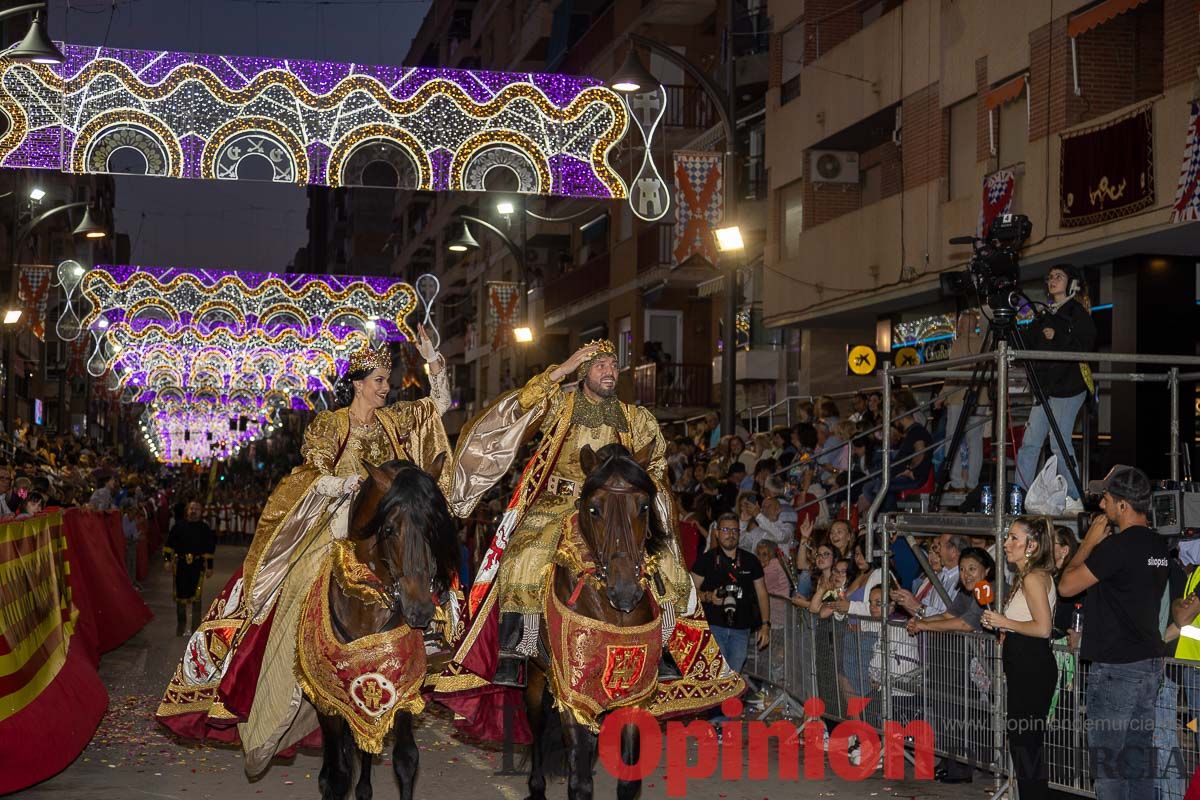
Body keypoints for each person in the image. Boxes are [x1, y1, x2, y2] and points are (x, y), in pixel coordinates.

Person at [157, 328, 452, 777]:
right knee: (297, 585)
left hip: (387, 527)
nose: (385, 387)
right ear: (358, 384)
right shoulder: (331, 424)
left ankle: (433, 637)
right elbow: (311, 474)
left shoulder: (395, 420)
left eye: (387, 380)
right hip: (334, 522)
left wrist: (434, 360)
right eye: (378, 380)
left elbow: (439, 406)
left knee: (423, 564)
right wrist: (349, 484)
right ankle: (285, 667)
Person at [437, 341, 706, 692]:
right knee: (523, 554)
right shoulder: (560, 406)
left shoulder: (635, 417)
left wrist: (641, 493)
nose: (609, 372)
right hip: (558, 502)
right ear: (583, 372)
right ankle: (516, 647)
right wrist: (559, 371)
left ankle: (667, 645)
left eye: (613, 365)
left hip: (615, 506)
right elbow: (522, 406)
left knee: (666, 560)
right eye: (600, 366)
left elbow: (655, 464)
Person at [1058, 465, 1169, 800]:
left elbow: (1066, 586)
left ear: (1123, 504)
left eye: (1105, 498)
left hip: (1117, 668)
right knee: (1138, 763)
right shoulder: (1159, 545)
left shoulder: (1116, 548)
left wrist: (1089, 542)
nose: (1101, 505)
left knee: (1109, 767)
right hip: (1149, 663)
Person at [981, 517, 1058, 800]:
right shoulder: (1028, 576)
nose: (1006, 543)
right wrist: (1005, 626)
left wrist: (1005, 622)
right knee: (1025, 747)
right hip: (1026, 665)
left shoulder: (1034, 578)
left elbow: (1043, 628)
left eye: (1014, 538)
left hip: (1031, 666)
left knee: (1026, 747)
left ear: (1032, 545)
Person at [1016, 264, 1097, 500]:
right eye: (1050, 277)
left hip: (1069, 388)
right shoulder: (1044, 316)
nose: (1052, 280)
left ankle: (1073, 497)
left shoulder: (1077, 313)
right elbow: (1026, 343)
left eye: (1058, 277)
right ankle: (1018, 495)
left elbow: (1086, 344)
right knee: (1030, 444)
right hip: (1046, 389)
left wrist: (1059, 336)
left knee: (1059, 444)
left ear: (1072, 284)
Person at [692, 513, 770, 673]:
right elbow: (690, 592)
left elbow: (762, 594)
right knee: (718, 673)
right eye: (726, 530)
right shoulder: (705, 560)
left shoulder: (751, 561)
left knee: (733, 674)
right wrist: (708, 596)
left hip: (741, 629)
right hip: (713, 626)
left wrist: (765, 625)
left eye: (735, 530)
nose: (731, 534)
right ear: (717, 533)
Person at [941, 308, 987, 491]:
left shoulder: (959, 343)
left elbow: (953, 371)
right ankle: (972, 482)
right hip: (981, 397)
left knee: (953, 438)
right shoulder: (984, 343)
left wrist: (943, 395)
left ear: (964, 325)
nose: (958, 327)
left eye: (960, 324)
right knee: (975, 440)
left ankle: (957, 481)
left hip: (959, 396)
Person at [163, 500, 216, 636]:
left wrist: (209, 567)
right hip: (180, 566)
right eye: (192, 508)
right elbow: (169, 545)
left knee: (196, 597)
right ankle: (181, 626)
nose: (194, 511)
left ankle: (195, 629)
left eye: (197, 508)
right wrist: (167, 561)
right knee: (180, 596)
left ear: (201, 512)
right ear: (187, 510)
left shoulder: (204, 528)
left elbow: (209, 549)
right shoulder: (178, 526)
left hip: (197, 567)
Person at [121, 497, 143, 588]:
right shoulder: (125, 519)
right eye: (133, 513)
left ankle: (133, 581)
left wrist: (138, 535)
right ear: (128, 512)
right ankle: (129, 583)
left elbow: (134, 533)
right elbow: (126, 534)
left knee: (133, 564)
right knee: (128, 564)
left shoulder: (132, 520)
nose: (134, 516)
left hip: (133, 543)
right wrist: (135, 537)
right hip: (128, 544)